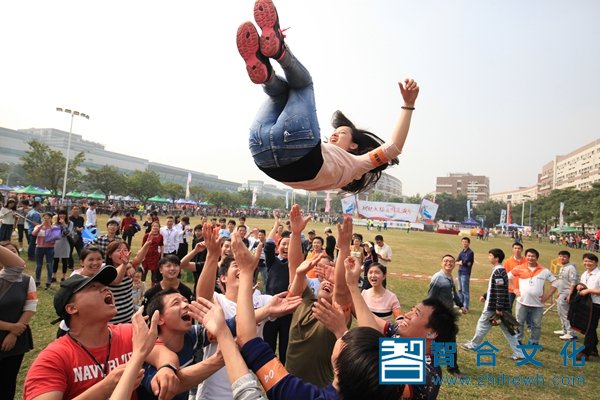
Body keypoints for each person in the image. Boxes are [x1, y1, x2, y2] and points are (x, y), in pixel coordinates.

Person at [209, 207, 403, 400]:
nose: (408, 316)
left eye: (418, 314)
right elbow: (296, 268)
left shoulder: (298, 391)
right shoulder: (401, 352)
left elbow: (248, 342)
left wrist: (344, 260)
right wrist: (295, 234)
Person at [236, 0, 418, 193]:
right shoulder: (336, 165)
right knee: (281, 94)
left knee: (304, 85)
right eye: (336, 132)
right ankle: (267, 76)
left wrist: (408, 105)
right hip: (263, 155)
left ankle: (279, 50)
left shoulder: (356, 166)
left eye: (342, 133)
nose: (334, 134)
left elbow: (394, 147)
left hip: (293, 152)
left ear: (354, 145)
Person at [24, 266, 181, 400]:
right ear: (72, 308)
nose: (106, 289)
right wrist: (105, 388)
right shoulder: (53, 358)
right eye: (93, 287)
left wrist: (166, 367)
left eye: (104, 286)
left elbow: (164, 354)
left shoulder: (128, 332)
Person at [138, 288, 225, 400]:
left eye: (185, 301)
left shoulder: (191, 335)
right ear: (159, 319)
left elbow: (232, 325)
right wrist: (218, 360)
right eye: (176, 303)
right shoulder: (147, 355)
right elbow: (169, 387)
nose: (186, 305)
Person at [460, 249, 524, 360]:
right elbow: (495, 288)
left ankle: (473, 345)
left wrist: (498, 307)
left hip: (494, 307)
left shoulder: (499, 271)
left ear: (496, 258)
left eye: (490, 255)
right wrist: (485, 295)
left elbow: (500, 290)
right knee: (508, 330)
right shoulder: (498, 270)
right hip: (497, 305)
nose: (488, 257)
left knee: (482, 324)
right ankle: (519, 353)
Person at [0, 241, 37, 400]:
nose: (12, 255)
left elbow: (31, 306)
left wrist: (15, 332)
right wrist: (11, 327)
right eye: (8, 253)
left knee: (7, 382)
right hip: (12, 329)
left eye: (14, 251)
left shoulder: (24, 280)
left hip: (15, 339)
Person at [507, 248, 556, 347]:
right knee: (519, 322)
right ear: (526, 257)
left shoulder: (544, 271)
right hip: (522, 301)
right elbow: (507, 277)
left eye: (533, 256)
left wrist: (547, 296)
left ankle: (534, 342)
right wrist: (514, 289)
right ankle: (518, 340)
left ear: (537, 258)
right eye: (528, 256)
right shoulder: (519, 268)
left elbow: (555, 282)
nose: (530, 258)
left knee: (536, 325)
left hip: (538, 304)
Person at [427, 254, 466, 378]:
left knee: (449, 342)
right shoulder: (438, 278)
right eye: (446, 261)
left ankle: (452, 367)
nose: (448, 263)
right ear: (441, 263)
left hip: (448, 316)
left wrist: (461, 305)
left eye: (451, 261)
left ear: (454, 264)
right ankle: (435, 366)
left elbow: (454, 294)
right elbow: (430, 297)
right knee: (439, 342)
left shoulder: (449, 277)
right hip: (439, 316)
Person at [549, 250, 579, 340]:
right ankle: (564, 330)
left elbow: (574, 282)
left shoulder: (571, 268)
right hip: (561, 292)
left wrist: (570, 294)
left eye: (564, 256)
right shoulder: (563, 267)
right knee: (560, 312)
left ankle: (571, 333)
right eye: (560, 256)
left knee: (566, 313)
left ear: (568, 258)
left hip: (567, 293)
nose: (562, 258)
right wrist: (558, 292)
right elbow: (561, 281)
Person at [575, 253, 600, 361]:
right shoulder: (585, 273)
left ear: (596, 262)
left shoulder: (599, 274)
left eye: (590, 261)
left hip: (597, 305)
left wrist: (589, 290)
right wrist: (580, 286)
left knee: (589, 327)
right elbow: (582, 285)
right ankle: (593, 350)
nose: (587, 263)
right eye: (585, 261)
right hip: (587, 304)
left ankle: (585, 352)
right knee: (589, 327)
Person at [32, 212, 57, 289]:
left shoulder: (54, 227)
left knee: (49, 264)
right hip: (39, 247)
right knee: (39, 265)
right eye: (44, 218)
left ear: (51, 219)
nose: (46, 220)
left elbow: (56, 237)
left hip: (50, 248)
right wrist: (41, 226)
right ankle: (37, 281)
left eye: (48, 218)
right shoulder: (38, 226)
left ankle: (48, 282)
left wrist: (50, 226)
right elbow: (34, 234)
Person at [503, 242, 526, 311]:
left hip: (523, 288)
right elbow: (506, 276)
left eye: (519, 248)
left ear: (522, 250)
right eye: (515, 248)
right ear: (512, 249)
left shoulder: (527, 261)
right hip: (511, 289)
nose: (517, 250)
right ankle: (508, 321)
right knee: (508, 307)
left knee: (524, 308)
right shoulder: (507, 262)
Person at [52, 209, 73, 282]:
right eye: (60, 214)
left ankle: (63, 277)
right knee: (55, 260)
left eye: (64, 214)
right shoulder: (55, 223)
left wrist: (64, 224)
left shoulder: (70, 223)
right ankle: (53, 276)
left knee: (64, 260)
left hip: (65, 243)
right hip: (57, 243)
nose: (62, 216)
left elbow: (67, 233)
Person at [456, 237, 474, 312]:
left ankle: (466, 307)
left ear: (469, 243)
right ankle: (461, 305)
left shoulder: (470, 253)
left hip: (465, 273)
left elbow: (465, 262)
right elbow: (456, 261)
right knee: (460, 290)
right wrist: (460, 262)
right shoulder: (462, 252)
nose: (464, 243)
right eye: (463, 242)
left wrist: (460, 262)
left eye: (466, 242)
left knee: (465, 291)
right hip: (460, 271)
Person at [68, 205, 85, 269]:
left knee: (81, 252)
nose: (76, 210)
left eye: (77, 209)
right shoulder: (69, 219)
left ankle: (83, 264)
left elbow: (82, 226)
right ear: (71, 210)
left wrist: (82, 228)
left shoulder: (81, 218)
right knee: (69, 252)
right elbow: (67, 228)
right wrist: (76, 229)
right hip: (71, 237)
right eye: (74, 209)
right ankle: (70, 266)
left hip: (79, 237)